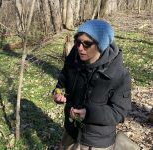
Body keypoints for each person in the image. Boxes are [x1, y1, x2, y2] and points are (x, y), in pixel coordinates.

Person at [53, 19, 132, 150]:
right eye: (77, 42)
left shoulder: (119, 75)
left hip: (97, 142)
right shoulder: (73, 62)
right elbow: (61, 83)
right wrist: (57, 93)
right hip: (71, 133)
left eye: (87, 44)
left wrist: (89, 113)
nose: (79, 48)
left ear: (101, 45)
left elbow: (119, 112)